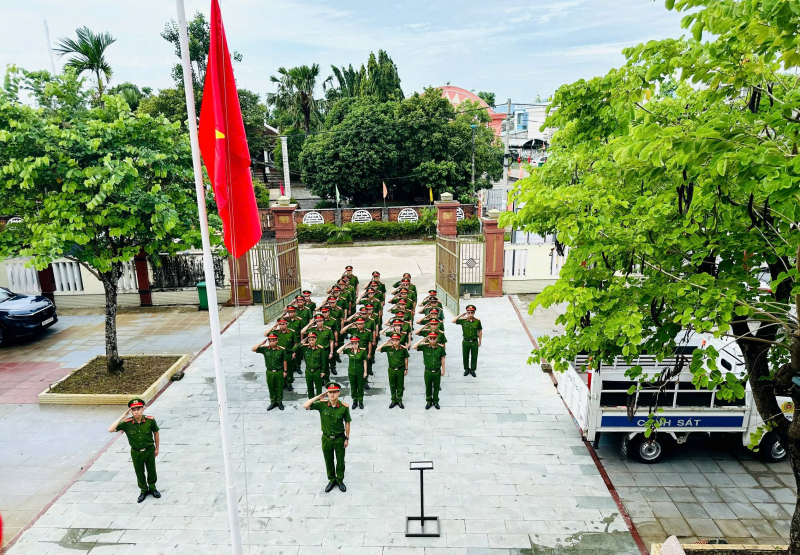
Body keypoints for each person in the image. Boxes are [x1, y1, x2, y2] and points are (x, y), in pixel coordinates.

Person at [109, 398, 161, 503]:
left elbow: (156, 433)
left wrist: (157, 448)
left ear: (143, 409)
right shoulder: (127, 423)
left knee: (151, 470)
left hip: (149, 450)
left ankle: (152, 487)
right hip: (136, 452)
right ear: (131, 411)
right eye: (133, 409)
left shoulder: (150, 420)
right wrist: (122, 417)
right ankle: (143, 490)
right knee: (139, 472)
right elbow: (111, 430)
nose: (136, 411)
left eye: (138, 409)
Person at [303, 382, 351, 493]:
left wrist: (347, 438)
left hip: (339, 438)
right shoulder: (322, 404)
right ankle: (331, 480)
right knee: (328, 460)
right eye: (330, 392)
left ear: (338, 393)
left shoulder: (344, 407)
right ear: (327, 393)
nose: (332, 395)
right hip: (326, 439)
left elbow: (347, 422)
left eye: (334, 392)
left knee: (340, 461)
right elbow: (305, 406)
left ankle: (339, 480)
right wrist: (317, 397)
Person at [252, 333, 287, 410]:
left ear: (277, 341)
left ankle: (279, 402)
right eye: (270, 341)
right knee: (271, 387)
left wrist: (285, 371)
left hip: (279, 371)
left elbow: (284, 360)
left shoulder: (281, 350)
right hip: (269, 372)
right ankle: (273, 402)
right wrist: (261, 343)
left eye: (273, 341)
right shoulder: (265, 349)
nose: (271, 342)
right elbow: (253, 349)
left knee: (280, 387)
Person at [413, 332, 446, 410]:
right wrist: (422, 340)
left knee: (436, 387)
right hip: (428, 371)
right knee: (428, 387)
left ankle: (435, 401)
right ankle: (428, 401)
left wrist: (443, 370)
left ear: (436, 339)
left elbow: (442, 359)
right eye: (430, 338)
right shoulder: (424, 347)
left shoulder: (440, 348)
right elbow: (414, 347)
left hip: (437, 371)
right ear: (428, 339)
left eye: (434, 338)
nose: (432, 340)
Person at [377, 334, 410, 409]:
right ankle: (393, 400)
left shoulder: (403, 349)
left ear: (399, 341)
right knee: (392, 385)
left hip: (400, 369)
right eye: (393, 340)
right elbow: (378, 349)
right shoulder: (388, 348)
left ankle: (399, 400)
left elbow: (406, 358)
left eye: (396, 340)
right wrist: (386, 343)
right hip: (391, 369)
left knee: (400, 385)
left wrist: (406, 369)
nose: (395, 342)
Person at [293, 332, 328, 399]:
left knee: (318, 387)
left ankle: (319, 400)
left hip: (317, 371)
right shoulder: (304, 348)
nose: (311, 341)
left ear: (316, 339)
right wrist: (301, 343)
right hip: (308, 371)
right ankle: (311, 400)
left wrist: (323, 371)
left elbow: (323, 361)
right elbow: (294, 349)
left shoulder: (320, 349)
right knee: (309, 387)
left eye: (312, 340)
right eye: (309, 340)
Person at [337, 336, 368, 409]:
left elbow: (365, 362)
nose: (354, 345)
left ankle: (360, 401)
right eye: (352, 343)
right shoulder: (348, 351)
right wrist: (345, 345)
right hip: (351, 372)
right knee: (353, 387)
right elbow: (338, 351)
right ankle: (354, 401)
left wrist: (365, 372)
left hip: (360, 372)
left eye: (355, 343)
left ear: (358, 343)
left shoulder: (362, 351)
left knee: (360, 387)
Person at [267, 318, 298, 391]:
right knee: (281, 369)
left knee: (289, 369)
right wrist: (274, 326)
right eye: (280, 324)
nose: (282, 326)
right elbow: (265, 334)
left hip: (288, 353)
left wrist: (294, 352)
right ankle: (283, 382)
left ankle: (289, 382)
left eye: (283, 324)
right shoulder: (276, 333)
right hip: (279, 354)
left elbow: (295, 343)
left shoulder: (291, 332)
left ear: (286, 324)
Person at [454, 305, 483, 377]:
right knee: (465, 356)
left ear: (474, 313)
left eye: (471, 312)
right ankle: (466, 369)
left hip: (474, 342)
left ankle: (473, 370)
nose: (470, 314)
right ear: (466, 313)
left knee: (474, 356)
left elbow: (480, 331)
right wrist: (461, 315)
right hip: (466, 341)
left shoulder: (477, 321)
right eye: (468, 312)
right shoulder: (463, 320)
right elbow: (453, 321)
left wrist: (480, 341)